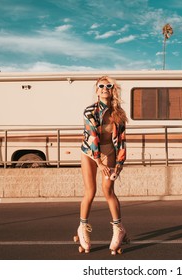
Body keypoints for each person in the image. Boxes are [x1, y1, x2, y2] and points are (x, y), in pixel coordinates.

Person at [74, 76, 128, 255]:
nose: (105, 88)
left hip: (109, 152)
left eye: (108, 86)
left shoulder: (118, 113)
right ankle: (82, 228)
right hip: (90, 152)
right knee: (90, 191)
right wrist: (98, 161)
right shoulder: (90, 111)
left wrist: (120, 162)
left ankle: (118, 228)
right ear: (97, 90)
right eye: (101, 86)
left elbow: (121, 140)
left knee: (108, 191)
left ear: (113, 90)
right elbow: (93, 137)